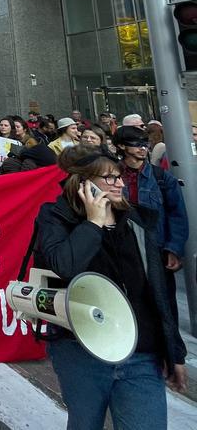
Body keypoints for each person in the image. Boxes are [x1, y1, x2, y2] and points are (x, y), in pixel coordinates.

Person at [34, 149, 186, 429]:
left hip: (140, 352)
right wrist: (93, 223)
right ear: (84, 183)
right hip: (81, 351)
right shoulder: (56, 217)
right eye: (109, 178)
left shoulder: (137, 220)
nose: (119, 183)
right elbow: (65, 266)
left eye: (119, 177)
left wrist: (174, 351)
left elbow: (159, 290)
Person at [113, 125, 188, 318]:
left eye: (145, 143)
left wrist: (173, 249)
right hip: (124, 250)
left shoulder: (161, 177)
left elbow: (177, 215)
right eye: (136, 143)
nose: (142, 148)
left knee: (164, 304)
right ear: (121, 146)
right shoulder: (111, 176)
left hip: (157, 248)